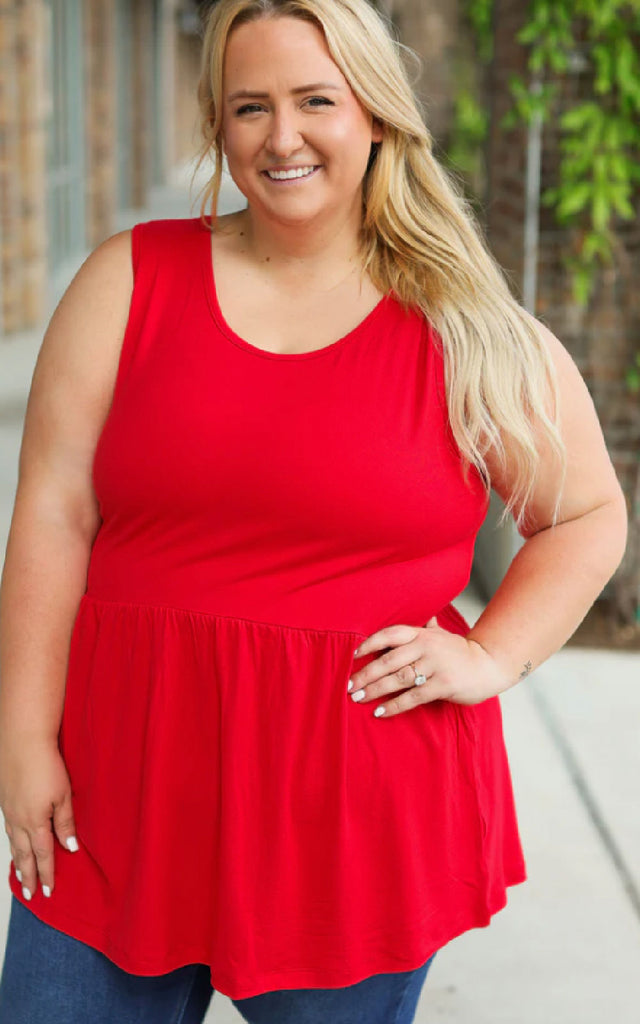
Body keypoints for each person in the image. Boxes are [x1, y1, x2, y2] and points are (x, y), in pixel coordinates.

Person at [0, 0, 628, 1021]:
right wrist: (23, 739)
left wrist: (492, 654)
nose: (280, 136)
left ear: (375, 115)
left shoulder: (463, 324)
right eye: (250, 106)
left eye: (314, 101)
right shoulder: (128, 282)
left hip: (355, 812)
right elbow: (53, 516)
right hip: (123, 789)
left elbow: (589, 514)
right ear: (218, 123)